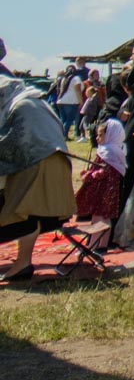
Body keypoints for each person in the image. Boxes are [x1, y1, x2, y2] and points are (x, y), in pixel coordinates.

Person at [0, 75, 75, 282]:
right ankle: (22, 263)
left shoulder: (22, 106)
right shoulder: (37, 102)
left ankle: (22, 264)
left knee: (23, 213)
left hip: (39, 163)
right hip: (54, 161)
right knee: (30, 214)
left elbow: (10, 144)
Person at [75, 117, 128, 224]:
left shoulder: (110, 151)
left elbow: (106, 170)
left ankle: (99, 239)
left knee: (102, 216)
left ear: (110, 135)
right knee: (98, 214)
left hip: (105, 189)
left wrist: (90, 175)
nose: (97, 138)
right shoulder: (109, 148)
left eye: (101, 135)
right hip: (100, 188)